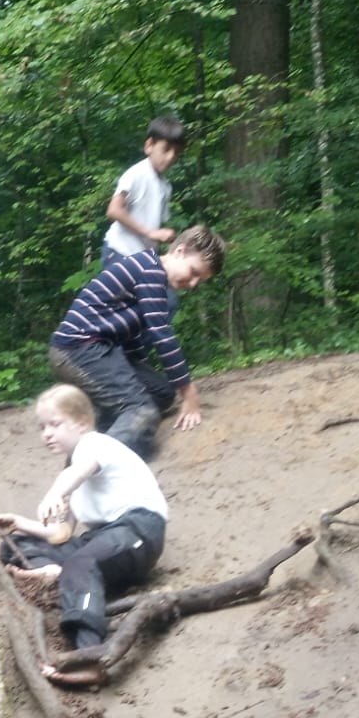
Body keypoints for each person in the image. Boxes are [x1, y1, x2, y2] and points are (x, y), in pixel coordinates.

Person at [0, 385, 168, 689]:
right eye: (42, 427)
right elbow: (61, 533)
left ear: (82, 422)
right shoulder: (75, 469)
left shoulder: (95, 445)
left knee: (81, 562)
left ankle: (92, 659)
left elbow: (74, 475)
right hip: (103, 542)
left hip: (138, 530)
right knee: (14, 544)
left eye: (55, 424)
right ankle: (52, 573)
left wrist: (54, 493)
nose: (47, 434)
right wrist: (20, 523)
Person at [48, 223, 226, 460]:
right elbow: (162, 335)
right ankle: (89, 468)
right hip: (79, 349)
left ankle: (101, 428)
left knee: (161, 393)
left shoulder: (150, 276)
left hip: (98, 348)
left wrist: (142, 374)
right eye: (194, 272)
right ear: (180, 251)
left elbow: (130, 339)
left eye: (199, 280)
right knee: (141, 410)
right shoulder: (150, 270)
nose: (193, 283)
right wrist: (188, 390)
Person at [102, 115, 187, 266]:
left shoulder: (165, 186)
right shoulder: (137, 173)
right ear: (149, 145)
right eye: (166, 149)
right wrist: (150, 233)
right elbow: (113, 210)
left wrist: (169, 236)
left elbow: (155, 227)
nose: (171, 157)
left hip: (142, 257)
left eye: (176, 152)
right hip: (119, 251)